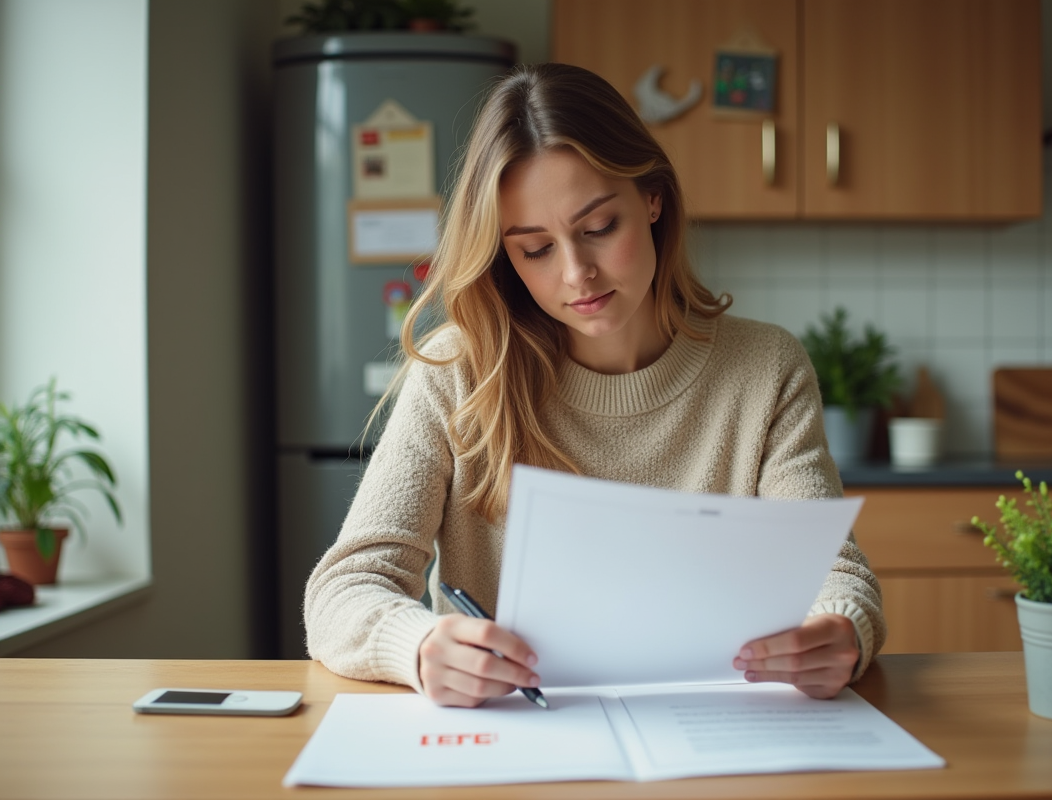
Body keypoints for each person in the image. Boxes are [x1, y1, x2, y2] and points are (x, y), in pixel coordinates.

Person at [305, 62, 885, 708]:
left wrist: (841, 631)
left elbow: (836, 576)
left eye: (599, 228)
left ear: (653, 198)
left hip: (715, 738)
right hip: (520, 741)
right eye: (535, 249)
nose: (576, 273)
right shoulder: (460, 371)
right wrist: (415, 645)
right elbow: (343, 590)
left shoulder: (765, 367)